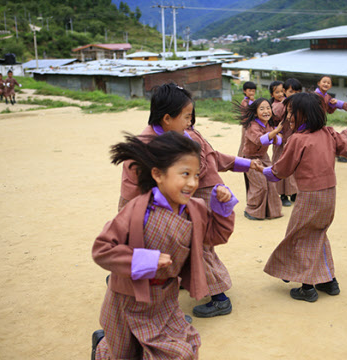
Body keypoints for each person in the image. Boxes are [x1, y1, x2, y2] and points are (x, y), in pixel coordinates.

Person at [91, 132, 238, 359]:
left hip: (165, 297)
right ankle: (101, 346)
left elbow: (215, 236)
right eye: (185, 174)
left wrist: (223, 208)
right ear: (158, 174)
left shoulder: (195, 208)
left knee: (180, 351)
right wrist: (144, 260)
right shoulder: (138, 210)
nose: (192, 183)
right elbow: (103, 250)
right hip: (128, 298)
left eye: (196, 175)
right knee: (123, 353)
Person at [257, 92, 347, 302]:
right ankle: (329, 280)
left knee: (301, 236)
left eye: (292, 112)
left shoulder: (297, 140)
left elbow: (282, 169)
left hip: (310, 196)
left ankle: (307, 287)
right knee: (317, 233)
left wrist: (264, 171)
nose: (288, 116)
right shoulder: (328, 133)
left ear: (304, 115)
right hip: (329, 194)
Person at [186, 118, 261, 318]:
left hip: (202, 193)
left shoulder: (187, 136)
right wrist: (248, 164)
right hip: (210, 192)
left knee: (198, 246)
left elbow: (206, 163)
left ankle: (219, 298)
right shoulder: (193, 134)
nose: (187, 120)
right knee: (198, 244)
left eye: (187, 116)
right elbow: (217, 159)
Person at [119, 83, 194, 211]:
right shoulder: (148, 147)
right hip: (139, 208)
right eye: (186, 117)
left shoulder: (181, 137)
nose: (189, 123)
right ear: (167, 119)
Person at [240, 97, 283, 220]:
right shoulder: (251, 126)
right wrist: (276, 132)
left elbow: (278, 142)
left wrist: (277, 134)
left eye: (268, 108)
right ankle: (252, 211)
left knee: (271, 182)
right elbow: (260, 141)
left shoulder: (269, 125)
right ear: (255, 112)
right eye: (262, 108)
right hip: (250, 159)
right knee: (260, 185)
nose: (266, 111)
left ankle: (271, 212)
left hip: (264, 158)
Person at [269, 80, 298, 206]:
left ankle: (293, 192)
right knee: (280, 165)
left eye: (296, 91)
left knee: (294, 165)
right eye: (291, 91)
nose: (281, 94)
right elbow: (270, 121)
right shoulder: (278, 106)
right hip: (280, 141)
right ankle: (282, 194)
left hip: (293, 139)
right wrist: (276, 131)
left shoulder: (297, 103)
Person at [237, 81, 257, 157]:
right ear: (244, 91)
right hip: (246, 126)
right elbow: (250, 110)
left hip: (252, 126)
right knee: (244, 143)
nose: (252, 92)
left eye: (253, 91)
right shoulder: (245, 102)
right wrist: (252, 101)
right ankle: (241, 160)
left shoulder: (253, 101)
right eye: (250, 91)